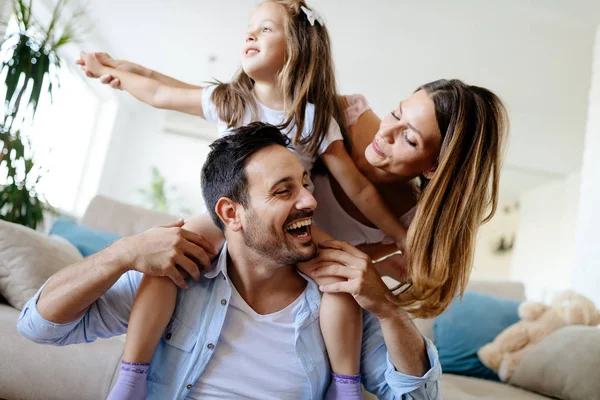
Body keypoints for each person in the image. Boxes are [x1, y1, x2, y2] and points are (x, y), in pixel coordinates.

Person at [77, 2, 407, 397]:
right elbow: (160, 91)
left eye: (265, 29)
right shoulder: (231, 100)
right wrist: (115, 72)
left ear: (298, 49)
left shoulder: (315, 118)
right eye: (249, 29)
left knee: (340, 280)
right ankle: (132, 375)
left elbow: (359, 188)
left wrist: (401, 236)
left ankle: (345, 386)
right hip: (226, 215)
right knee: (168, 261)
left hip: (289, 224)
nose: (249, 35)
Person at [17, 123, 441, 399]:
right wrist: (122, 253)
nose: (311, 201)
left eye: (306, 185)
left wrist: (387, 308)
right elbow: (39, 326)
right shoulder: (181, 279)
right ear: (231, 213)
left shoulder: (338, 298)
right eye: (283, 190)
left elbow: (417, 397)